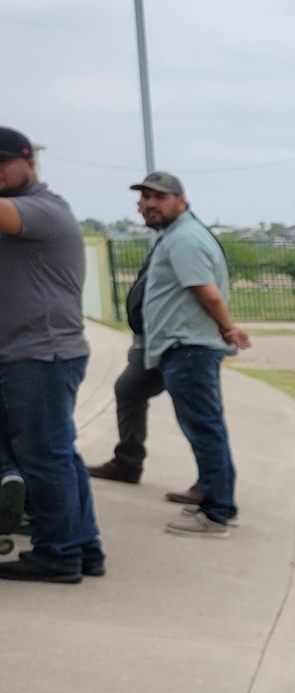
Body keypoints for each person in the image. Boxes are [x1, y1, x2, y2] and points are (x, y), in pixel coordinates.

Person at [0, 126, 105, 583]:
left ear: (29, 161)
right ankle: (84, 549)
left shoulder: (43, 209)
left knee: (46, 458)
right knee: (59, 456)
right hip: (36, 354)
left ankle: (58, 555)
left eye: (2, 162)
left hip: (40, 355)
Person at [131, 172, 251, 536]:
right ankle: (215, 502)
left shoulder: (184, 238)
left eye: (160, 197)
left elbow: (208, 293)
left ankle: (216, 514)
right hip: (184, 348)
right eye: (145, 198)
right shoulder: (178, 235)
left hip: (190, 350)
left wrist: (228, 327)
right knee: (205, 427)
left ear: (180, 200)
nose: (150, 204)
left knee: (204, 428)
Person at [84, 247, 166, 486]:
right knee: (129, 388)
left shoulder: (184, 241)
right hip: (150, 341)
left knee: (195, 411)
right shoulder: (163, 240)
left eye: (155, 205)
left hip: (176, 342)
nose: (146, 208)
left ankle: (215, 490)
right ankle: (128, 463)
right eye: (141, 205)